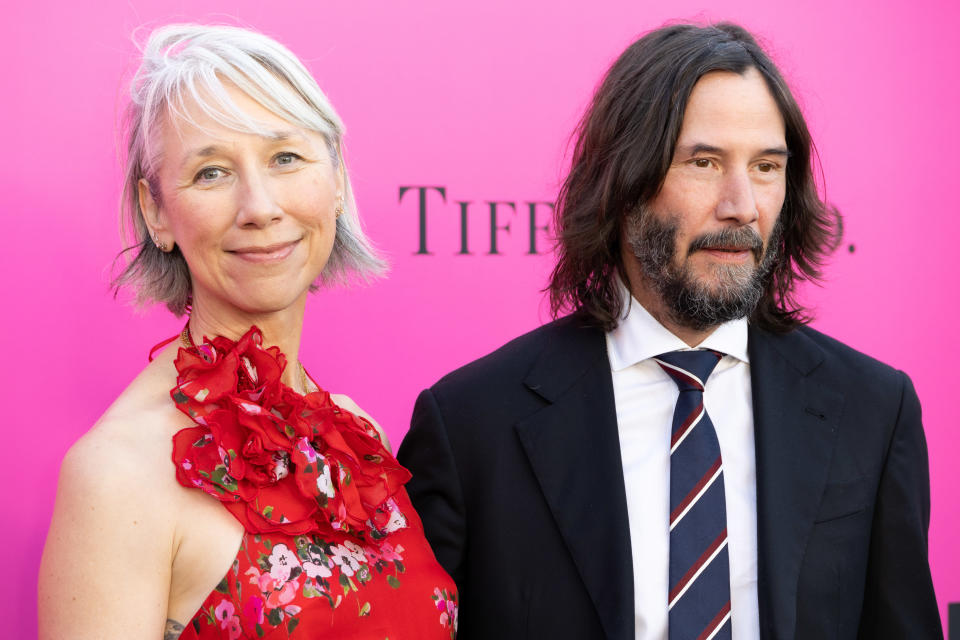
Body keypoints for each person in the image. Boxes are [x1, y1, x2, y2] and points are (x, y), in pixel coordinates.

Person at [398, 22, 942, 640]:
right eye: (704, 162)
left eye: (766, 166)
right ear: (622, 183)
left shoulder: (872, 409)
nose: (742, 205)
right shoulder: (472, 425)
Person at [39, 24, 457, 640]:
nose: (259, 206)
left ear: (336, 177)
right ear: (156, 210)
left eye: (285, 158)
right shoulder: (117, 475)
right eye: (211, 172)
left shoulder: (358, 432)